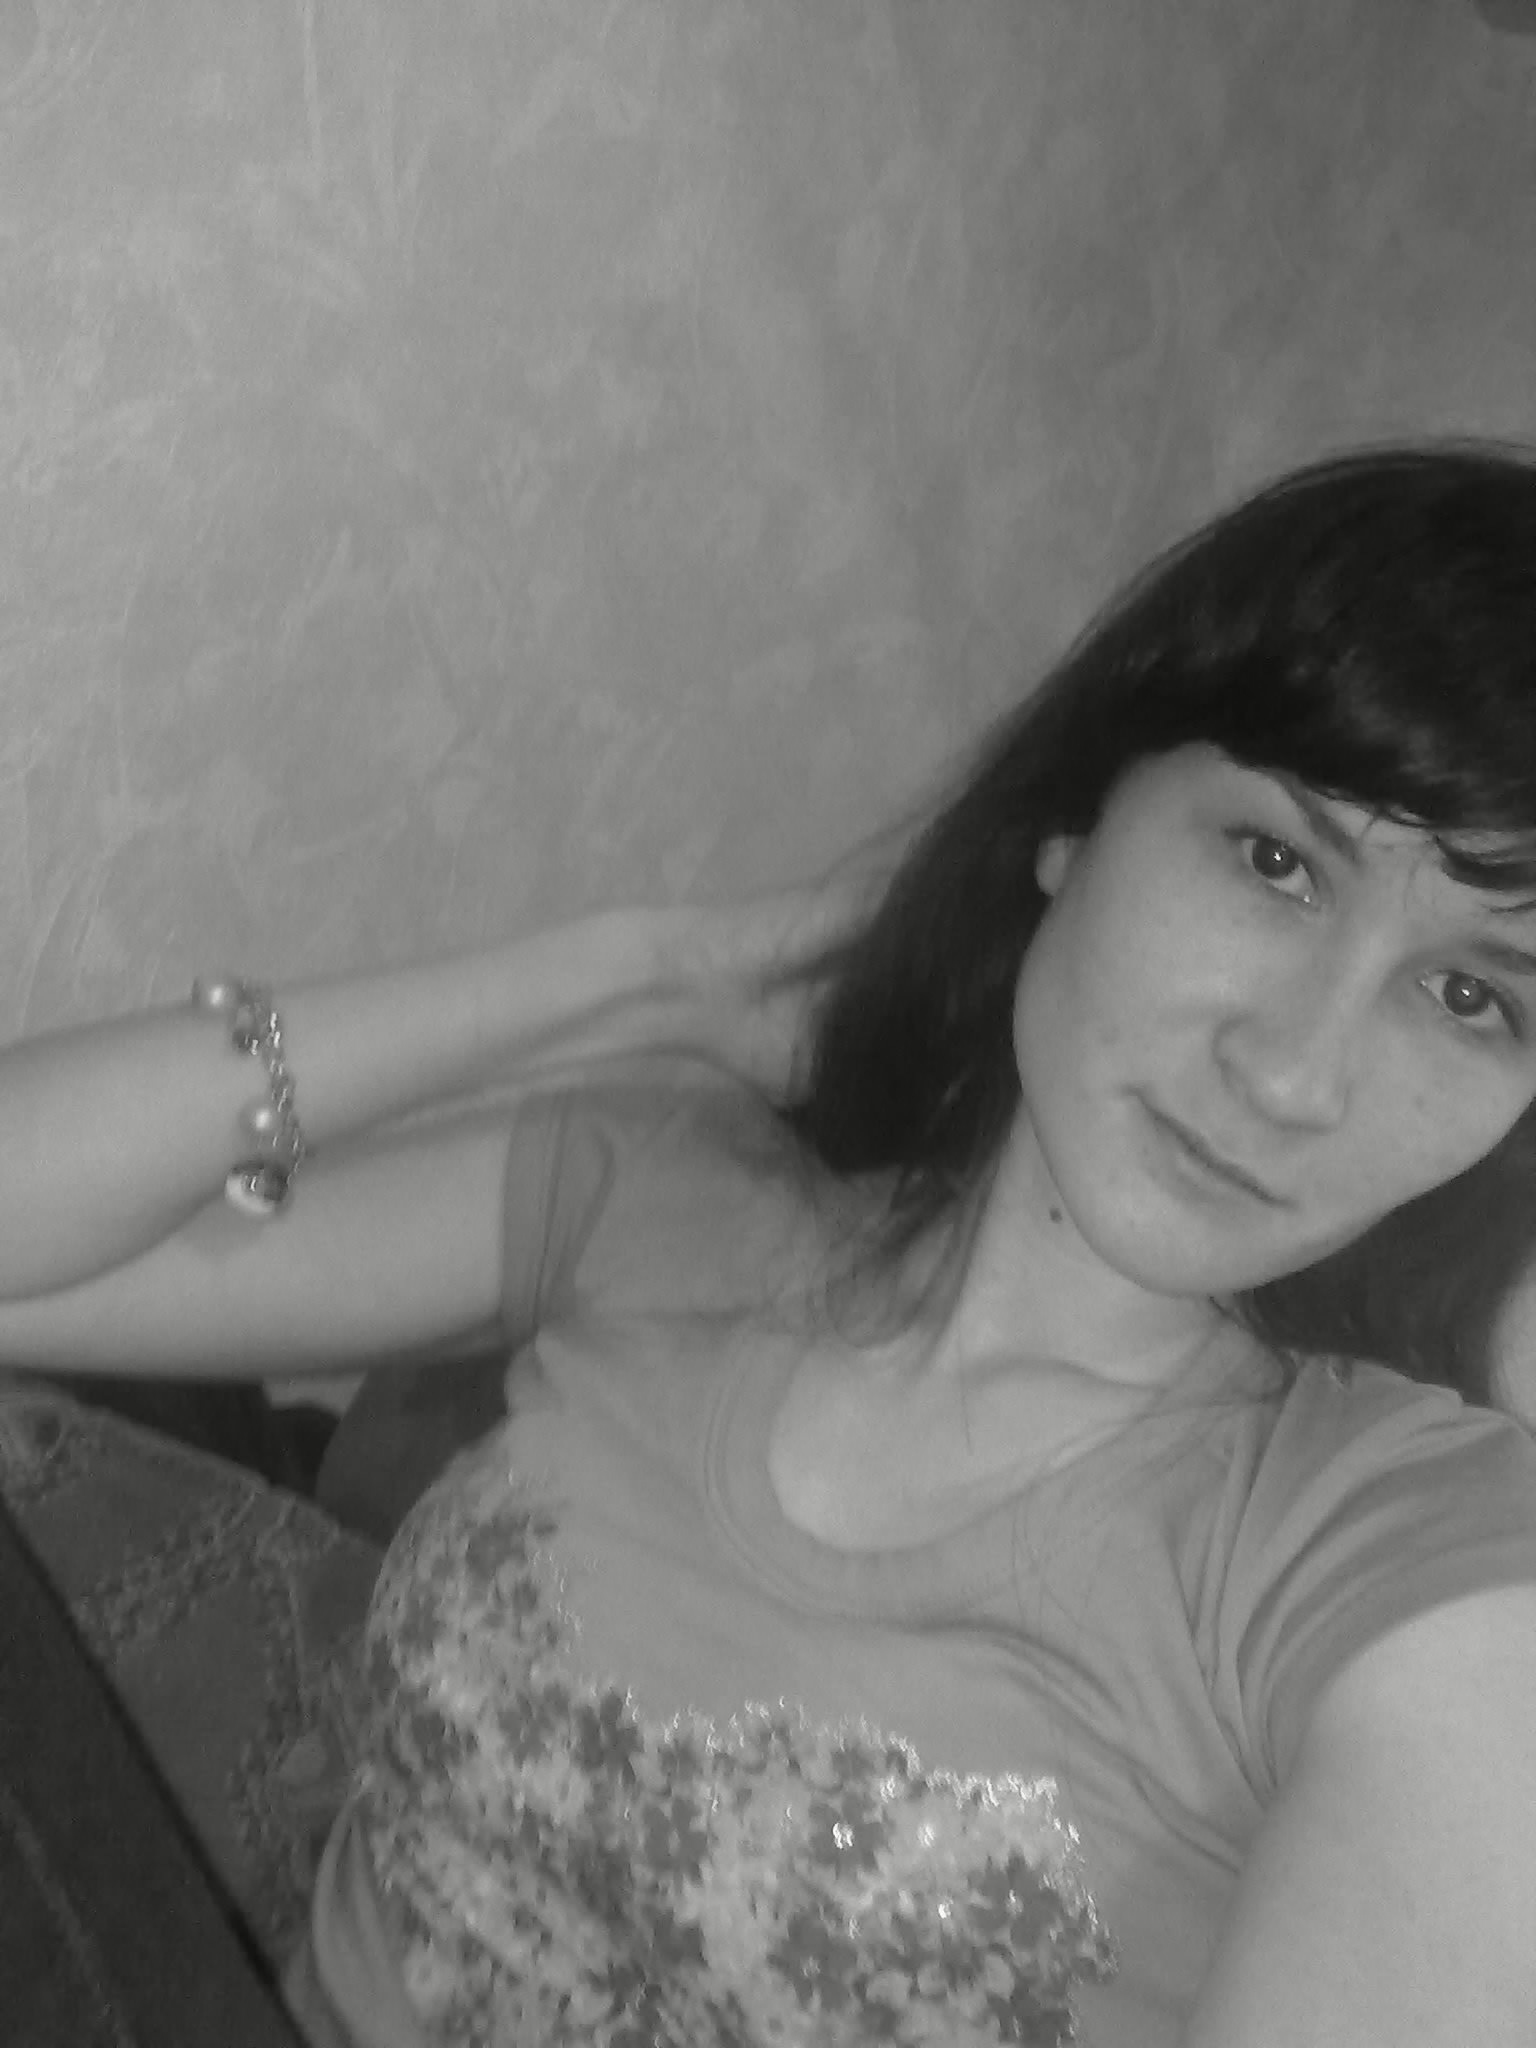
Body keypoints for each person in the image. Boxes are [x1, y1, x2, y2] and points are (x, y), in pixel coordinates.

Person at [2, 441, 1536, 2048]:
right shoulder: (679, 1197)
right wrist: (636, 977)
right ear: (1080, 821)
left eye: (1472, 996)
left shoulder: (1388, 1545)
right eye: (1277, 862)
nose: (1294, 1073)